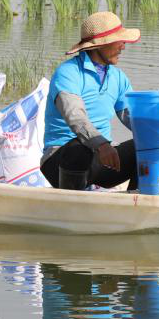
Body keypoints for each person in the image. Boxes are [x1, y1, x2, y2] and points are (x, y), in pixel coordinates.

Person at [40, 11, 140, 190]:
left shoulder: (118, 78)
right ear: (100, 45)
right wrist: (101, 144)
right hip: (61, 160)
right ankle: (72, 206)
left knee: (146, 146)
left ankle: (137, 204)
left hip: (102, 158)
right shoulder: (68, 73)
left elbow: (134, 118)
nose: (123, 46)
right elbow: (76, 117)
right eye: (119, 41)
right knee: (79, 148)